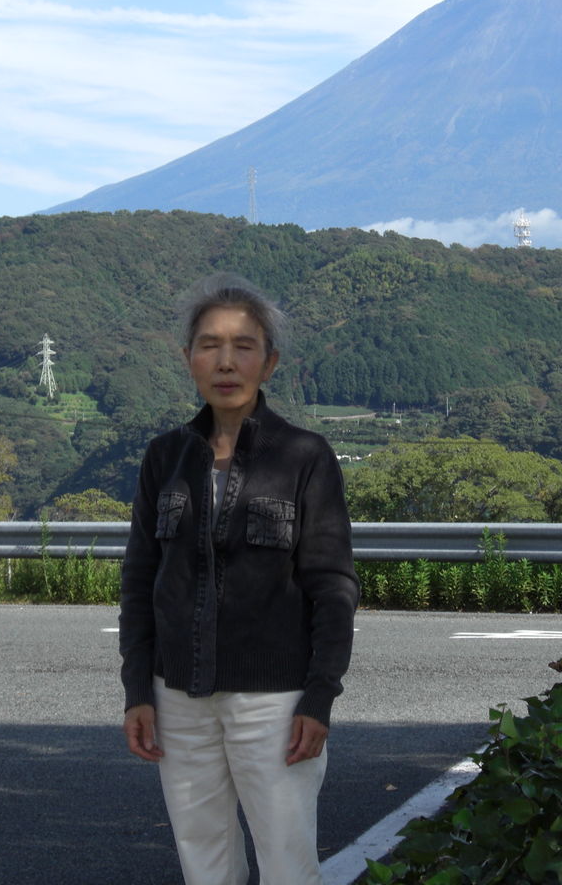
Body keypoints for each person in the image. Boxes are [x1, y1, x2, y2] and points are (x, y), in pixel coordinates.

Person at [119, 272, 359, 885]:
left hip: (275, 702)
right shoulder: (165, 456)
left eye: (243, 346)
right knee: (203, 862)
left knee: (287, 865)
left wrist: (319, 696)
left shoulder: (305, 455)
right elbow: (141, 579)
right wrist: (138, 690)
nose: (226, 362)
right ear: (188, 359)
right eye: (210, 345)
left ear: (269, 362)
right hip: (178, 696)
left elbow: (333, 585)